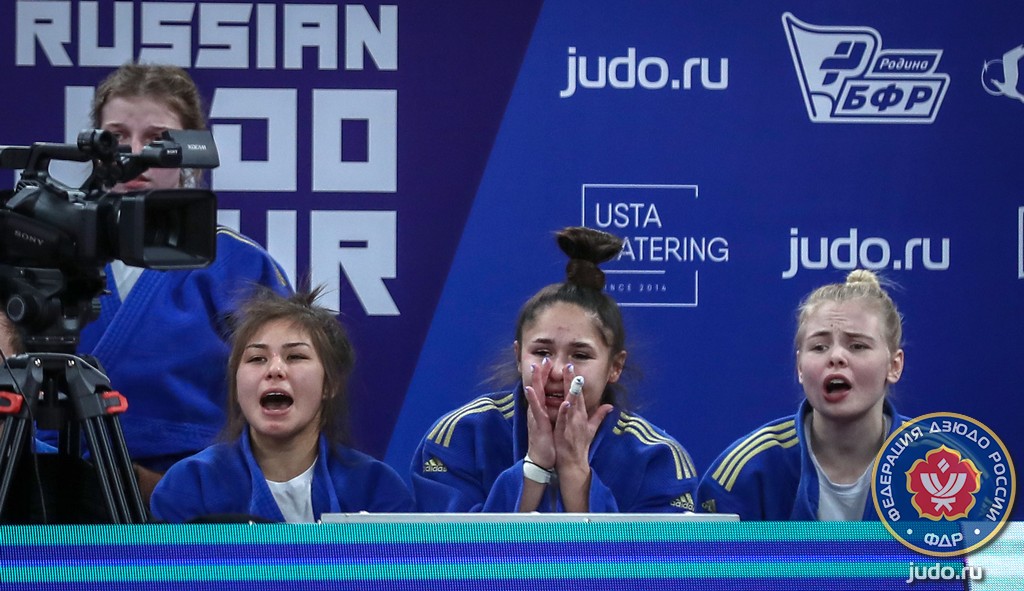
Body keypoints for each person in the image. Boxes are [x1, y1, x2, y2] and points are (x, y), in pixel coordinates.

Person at [37, 63, 292, 504]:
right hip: (50, 488)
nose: (135, 153)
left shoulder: (239, 264)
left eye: (157, 139)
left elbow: (289, 404)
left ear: (190, 149)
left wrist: (175, 489)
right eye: (116, 137)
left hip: (196, 500)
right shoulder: (43, 254)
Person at [410, 226, 698, 513]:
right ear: (518, 356)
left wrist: (575, 473)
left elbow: (657, 545)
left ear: (615, 367)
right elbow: (450, 542)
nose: (558, 371)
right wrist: (534, 468)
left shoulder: (657, 458)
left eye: (580, 355)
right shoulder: (463, 436)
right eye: (542, 352)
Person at [150, 286, 414, 522]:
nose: (275, 369)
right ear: (237, 383)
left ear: (330, 383)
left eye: (295, 356)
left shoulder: (377, 488)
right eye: (257, 359)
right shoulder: (189, 485)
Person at [697, 269, 908, 520]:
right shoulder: (747, 472)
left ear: (894, 366)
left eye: (857, 346)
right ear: (799, 367)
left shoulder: (938, 458)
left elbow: (959, 550)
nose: (836, 356)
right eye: (819, 347)